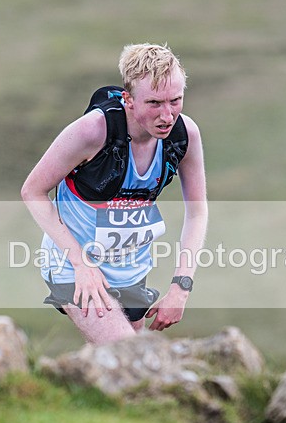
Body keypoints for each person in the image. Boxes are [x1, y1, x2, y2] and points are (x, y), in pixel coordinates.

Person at [21, 43, 208, 345]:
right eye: (154, 103)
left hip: (131, 271)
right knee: (131, 357)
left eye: (175, 100)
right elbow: (33, 191)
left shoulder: (185, 135)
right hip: (75, 268)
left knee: (126, 372)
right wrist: (81, 264)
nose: (167, 115)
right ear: (129, 100)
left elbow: (197, 212)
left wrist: (180, 286)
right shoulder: (91, 132)